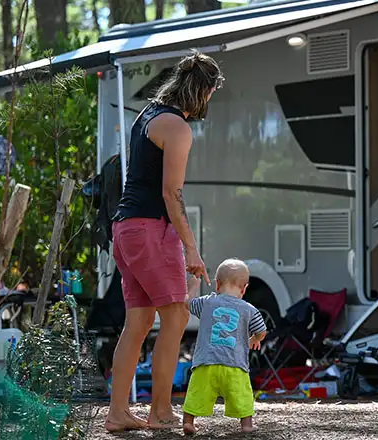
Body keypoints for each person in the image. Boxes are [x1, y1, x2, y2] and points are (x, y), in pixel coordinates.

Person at [104, 50, 224, 432]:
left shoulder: (148, 115)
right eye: (211, 93)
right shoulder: (177, 127)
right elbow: (172, 193)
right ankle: (160, 411)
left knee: (137, 322)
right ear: (202, 90)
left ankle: (117, 413)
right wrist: (191, 248)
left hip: (124, 229)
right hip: (150, 229)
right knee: (175, 315)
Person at [182, 258, 267, 435]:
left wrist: (192, 287)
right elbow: (262, 330)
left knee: (196, 392)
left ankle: (188, 421)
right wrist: (254, 338)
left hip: (206, 363)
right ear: (244, 288)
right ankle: (246, 425)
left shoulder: (206, 303)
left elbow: (188, 303)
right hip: (234, 365)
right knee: (243, 395)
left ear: (217, 284)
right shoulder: (249, 309)